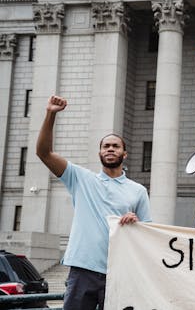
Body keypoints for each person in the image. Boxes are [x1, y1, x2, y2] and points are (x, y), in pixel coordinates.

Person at [36, 95, 152, 310]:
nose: (110, 149)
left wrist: (136, 223)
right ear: (99, 152)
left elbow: (148, 235)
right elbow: (44, 153)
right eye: (106, 146)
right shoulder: (80, 178)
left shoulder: (138, 191)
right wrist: (50, 114)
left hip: (120, 272)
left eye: (115, 146)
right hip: (83, 270)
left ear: (124, 154)